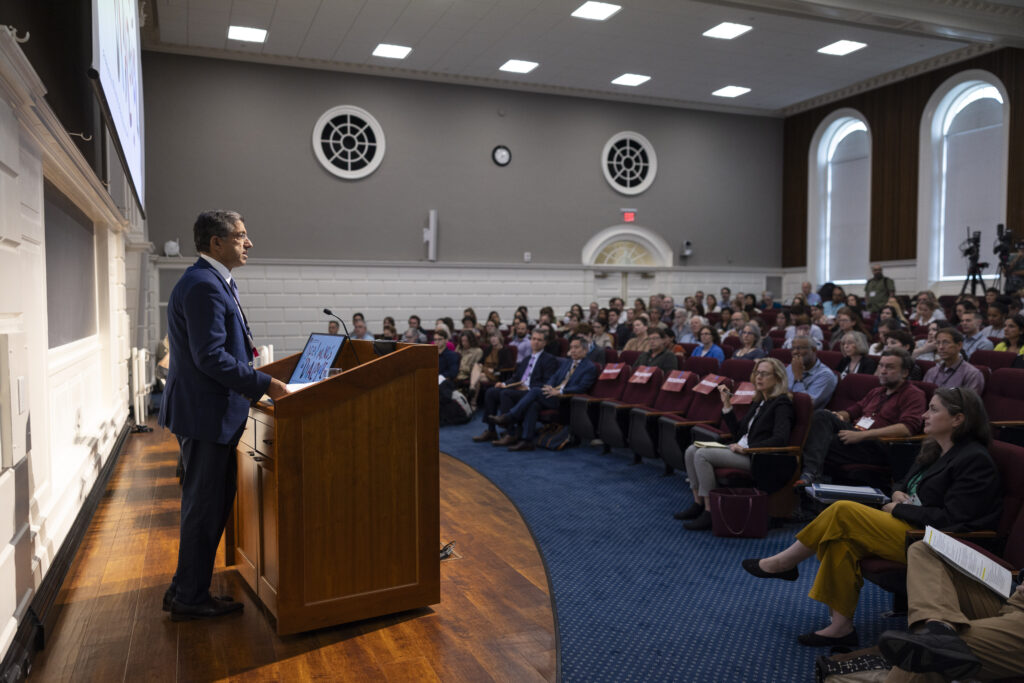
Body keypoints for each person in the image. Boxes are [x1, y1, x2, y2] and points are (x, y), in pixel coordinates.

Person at [744, 387, 1001, 648]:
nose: (924, 414)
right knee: (840, 540)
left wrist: (899, 508)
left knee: (843, 511)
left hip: (933, 542)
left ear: (958, 419)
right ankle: (840, 627)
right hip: (907, 525)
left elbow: (952, 519)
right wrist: (899, 492)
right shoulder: (934, 448)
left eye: (933, 409)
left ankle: (784, 563)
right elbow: (903, 481)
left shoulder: (974, 460)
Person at [159, 210, 289, 620]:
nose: (248, 243)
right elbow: (211, 357)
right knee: (205, 508)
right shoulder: (204, 286)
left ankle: (184, 588)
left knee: (204, 506)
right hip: (205, 414)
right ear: (216, 243)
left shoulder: (210, 281)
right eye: (240, 236)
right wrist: (265, 385)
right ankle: (189, 599)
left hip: (205, 412)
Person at [878, 542, 1024, 682]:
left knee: (931, 653)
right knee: (926, 549)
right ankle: (939, 627)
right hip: (1016, 595)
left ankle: (937, 637)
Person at [678, 358, 794, 530]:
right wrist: (727, 404)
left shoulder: (782, 403)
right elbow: (739, 432)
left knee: (702, 454)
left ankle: (710, 512)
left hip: (757, 457)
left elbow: (781, 438)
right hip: (740, 449)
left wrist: (748, 449)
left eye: (764, 374)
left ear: (777, 378)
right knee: (691, 449)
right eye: (756, 373)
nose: (758, 377)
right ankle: (698, 503)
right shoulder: (759, 401)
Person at [797, 348, 926, 486]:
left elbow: (907, 428)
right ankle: (811, 476)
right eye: (881, 365)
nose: (882, 370)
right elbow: (852, 412)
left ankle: (810, 475)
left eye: (889, 367)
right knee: (823, 417)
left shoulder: (914, 394)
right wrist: (838, 416)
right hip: (855, 437)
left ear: (905, 372)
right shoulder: (876, 391)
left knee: (817, 441)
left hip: (878, 446)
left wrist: (862, 436)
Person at [490, 336, 598, 451]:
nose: (573, 350)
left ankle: (509, 416)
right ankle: (527, 441)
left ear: (585, 350)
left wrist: (560, 391)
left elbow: (581, 388)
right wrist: (549, 387)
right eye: (571, 347)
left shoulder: (590, 367)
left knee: (535, 391)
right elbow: (554, 377)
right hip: (552, 395)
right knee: (533, 405)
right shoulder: (568, 362)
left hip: (565, 400)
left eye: (576, 347)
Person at [473, 328, 559, 446]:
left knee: (506, 393)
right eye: (533, 339)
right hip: (519, 389)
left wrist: (528, 388)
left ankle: (510, 432)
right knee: (491, 391)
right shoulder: (527, 359)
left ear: (544, 343)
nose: (536, 342)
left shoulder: (549, 359)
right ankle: (491, 430)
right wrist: (504, 384)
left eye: (539, 340)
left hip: (531, 393)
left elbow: (547, 382)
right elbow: (516, 378)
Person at [923, 328, 986, 394]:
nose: (940, 347)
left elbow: (969, 403)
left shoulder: (972, 374)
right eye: (938, 343)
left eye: (945, 342)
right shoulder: (931, 372)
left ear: (959, 345)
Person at [786, 335, 838, 409]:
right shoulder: (791, 367)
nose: (795, 352)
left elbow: (805, 405)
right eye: (793, 348)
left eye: (800, 348)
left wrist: (798, 377)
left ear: (814, 350)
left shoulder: (826, 375)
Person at [469, 331, 503, 410]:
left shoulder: (505, 350)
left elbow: (505, 367)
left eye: (495, 337)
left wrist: (494, 370)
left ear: (500, 338)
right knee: (477, 366)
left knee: (476, 377)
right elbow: (481, 361)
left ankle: (473, 402)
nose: (493, 339)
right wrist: (482, 366)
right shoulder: (488, 349)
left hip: (496, 374)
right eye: (491, 337)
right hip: (485, 371)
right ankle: (472, 387)